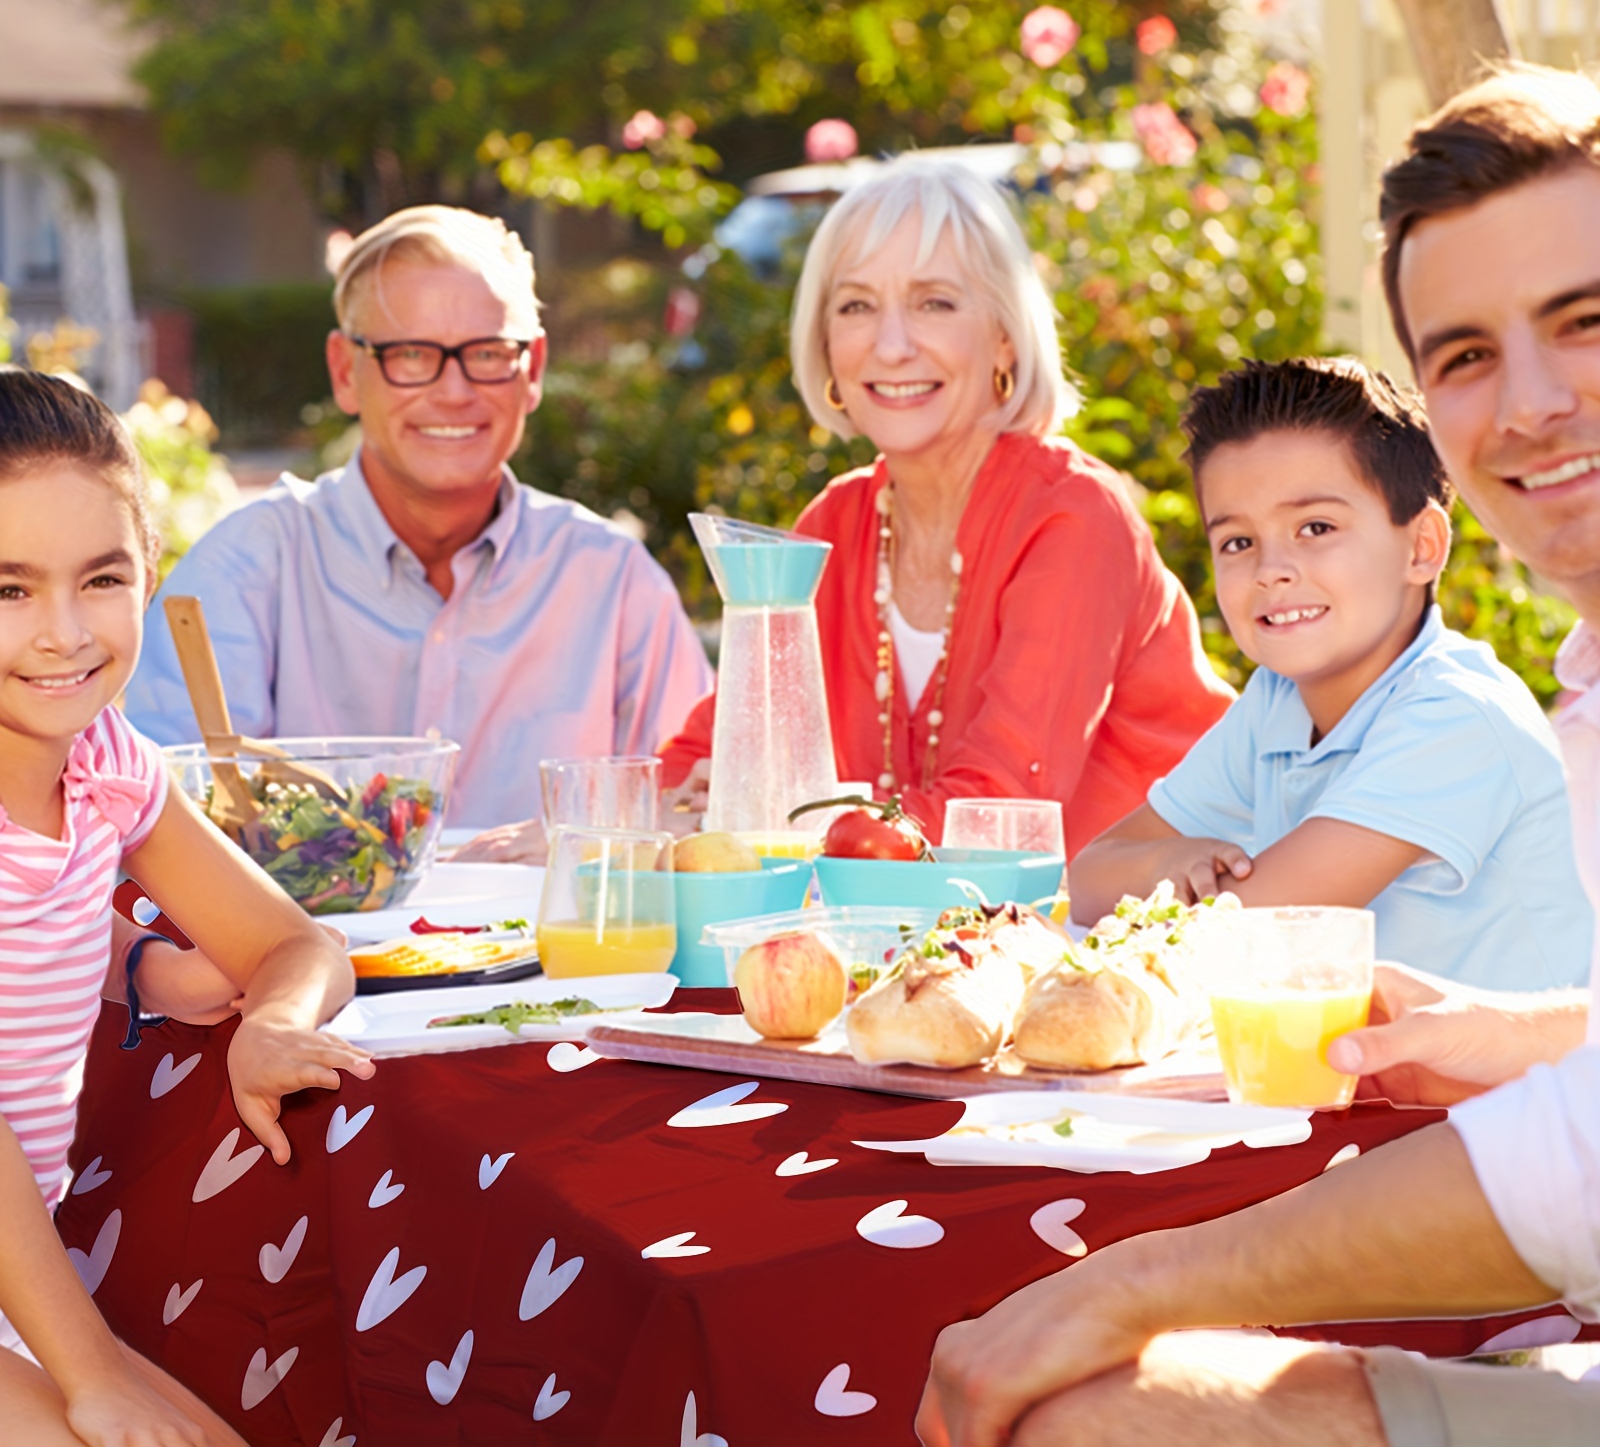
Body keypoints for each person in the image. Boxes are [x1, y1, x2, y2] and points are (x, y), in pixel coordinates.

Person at [917, 64, 1600, 1447]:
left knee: (1048, 1346)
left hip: (1514, 1275)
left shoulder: (1464, 714)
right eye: (1466, 355)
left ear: (1425, 541)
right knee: (1067, 1392)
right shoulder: (1324, 705)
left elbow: (1234, 937)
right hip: (1434, 1186)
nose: (1526, 404)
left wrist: (1140, 1286)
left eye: (1586, 322)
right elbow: (1107, 878)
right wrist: (1524, 1029)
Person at [0, 368, 370, 1446]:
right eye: (6, 589)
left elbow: (295, 941)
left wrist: (274, 1022)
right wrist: (93, 1371)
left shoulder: (110, 765)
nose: (64, 632)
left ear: (149, 573)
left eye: (101, 577)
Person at [659, 159, 1233, 850]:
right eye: (856, 306)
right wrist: (611, 822)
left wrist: (774, 821)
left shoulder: (1076, 516)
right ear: (825, 342)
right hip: (933, 940)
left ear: (1003, 336)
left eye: (935, 303)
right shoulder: (835, 526)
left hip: (1147, 935)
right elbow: (708, 757)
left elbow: (996, 816)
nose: (892, 345)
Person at [124, 206, 711, 834]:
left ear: (533, 369)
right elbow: (160, 838)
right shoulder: (241, 574)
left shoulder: (616, 586)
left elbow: (693, 821)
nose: (454, 391)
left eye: (487, 352)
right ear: (346, 372)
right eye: (410, 354)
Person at [1072, 356, 1589, 989]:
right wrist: (1173, 859)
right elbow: (1090, 877)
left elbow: (1250, 931)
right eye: (1238, 542)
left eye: (1315, 528)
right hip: (1358, 1072)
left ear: (1422, 546)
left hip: (1509, 1085)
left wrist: (1169, 886)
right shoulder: (1277, 700)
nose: (1271, 570)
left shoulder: (1457, 716)